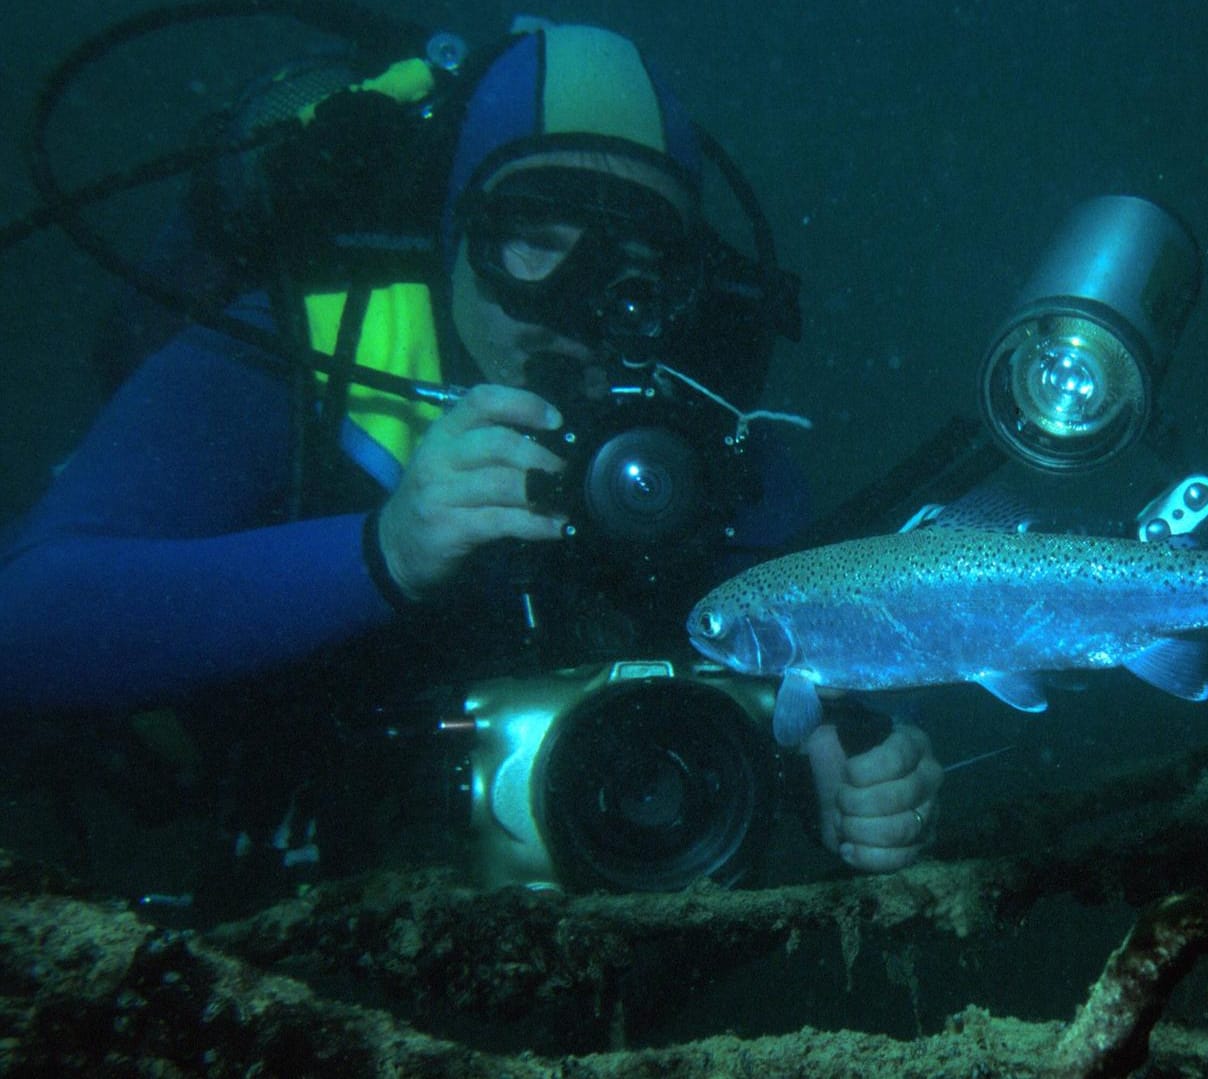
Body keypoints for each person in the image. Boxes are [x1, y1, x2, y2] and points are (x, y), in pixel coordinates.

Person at [0, 20, 942, 897]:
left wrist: (842, 763)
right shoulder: (302, 356)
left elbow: (814, 676)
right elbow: (28, 623)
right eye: (534, 239)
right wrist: (385, 552)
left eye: (631, 267)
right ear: (456, 234)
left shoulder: (705, 438)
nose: (576, 308)